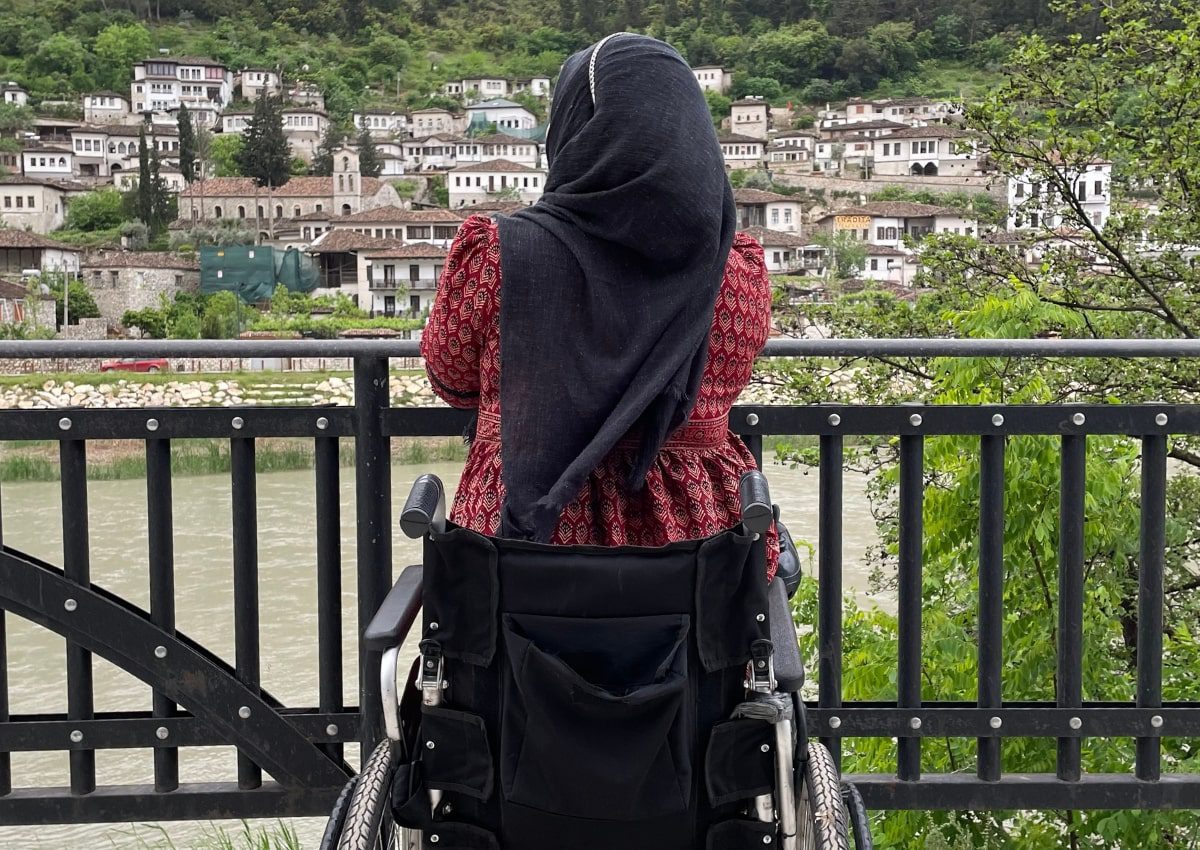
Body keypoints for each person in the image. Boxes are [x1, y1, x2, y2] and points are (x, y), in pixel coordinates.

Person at [421, 32, 777, 575]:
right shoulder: (736, 273)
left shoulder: (497, 257)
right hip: (695, 556)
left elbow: (452, 381)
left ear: (574, 131)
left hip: (522, 549)